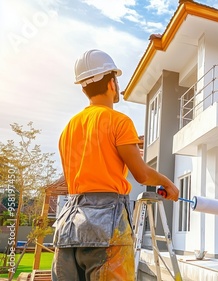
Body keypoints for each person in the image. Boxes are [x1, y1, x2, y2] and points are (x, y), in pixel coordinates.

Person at [52, 49, 179, 281]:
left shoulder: (69, 128)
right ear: (112, 83)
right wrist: (167, 182)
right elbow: (141, 174)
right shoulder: (119, 121)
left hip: (69, 224)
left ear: (83, 88)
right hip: (106, 224)